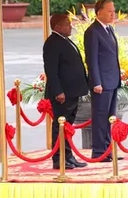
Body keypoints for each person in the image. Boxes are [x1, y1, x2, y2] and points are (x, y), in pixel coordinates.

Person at [43, 13, 88, 170]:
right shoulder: (52, 43)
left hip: (72, 91)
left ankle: (68, 156)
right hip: (62, 94)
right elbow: (51, 70)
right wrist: (58, 91)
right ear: (57, 27)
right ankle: (59, 158)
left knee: (68, 125)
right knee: (60, 125)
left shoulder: (65, 40)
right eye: (67, 24)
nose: (71, 27)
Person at [84, 0, 123, 162]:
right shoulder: (93, 31)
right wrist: (96, 82)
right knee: (100, 117)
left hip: (112, 80)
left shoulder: (109, 30)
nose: (113, 14)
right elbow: (91, 59)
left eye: (113, 11)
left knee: (110, 117)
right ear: (98, 12)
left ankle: (108, 149)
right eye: (109, 11)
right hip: (102, 83)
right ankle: (99, 151)